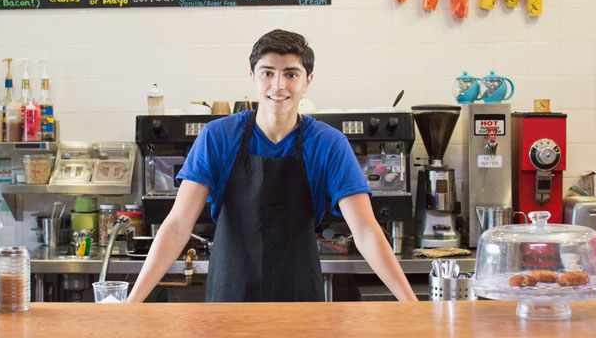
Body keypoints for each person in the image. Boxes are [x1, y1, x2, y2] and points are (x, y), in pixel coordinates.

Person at [127, 30, 418, 303]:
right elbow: (178, 225)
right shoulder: (218, 137)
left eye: (291, 74)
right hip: (231, 297)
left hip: (299, 297)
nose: (278, 85)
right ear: (253, 77)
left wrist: (412, 305)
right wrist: (132, 304)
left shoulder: (329, 143)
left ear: (308, 81)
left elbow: (366, 230)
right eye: (268, 73)